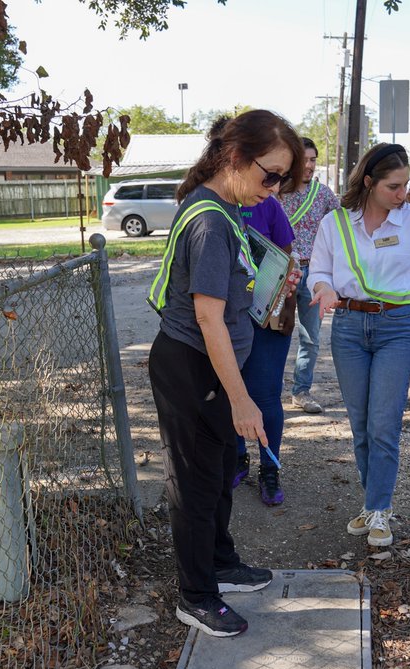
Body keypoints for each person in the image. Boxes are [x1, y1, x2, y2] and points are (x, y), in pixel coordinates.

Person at [146, 110, 304, 637]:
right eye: (271, 175)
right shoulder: (212, 220)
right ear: (235, 157)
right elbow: (208, 317)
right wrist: (241, 399)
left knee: (215, 478)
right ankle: (196, 594)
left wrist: (275, 282)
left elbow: (233, 297)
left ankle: (220, 562)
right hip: (193, 366)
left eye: (282, 179)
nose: (275, 190)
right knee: (193, 484)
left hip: (209, 364)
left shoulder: (225, 207)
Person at [308, 143, 410, 547]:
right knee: (360, 426)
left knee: (384, 425)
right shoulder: (335, 223)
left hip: (397, 327)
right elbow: (318, 270)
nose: (402, 193)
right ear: (369, 183)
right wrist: (323, 288)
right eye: (393, 186)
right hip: (349, 327)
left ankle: (379, 510)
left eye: (406, 184)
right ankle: (373, 504)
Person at [234, 194, 296, 506]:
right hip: (223, 319)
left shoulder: (267, 204)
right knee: (228, 390)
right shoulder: (204, 201)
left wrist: (289, 307)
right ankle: (236, 458)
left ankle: (269, 468)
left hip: (265, 318)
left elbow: (286, 262)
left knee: (266, 395)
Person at [279, 136, 341, 415]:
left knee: (310, 337)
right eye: (304, 159)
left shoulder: (324, 194)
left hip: (314, 273)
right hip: (282, 271)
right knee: (276, 332)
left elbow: (341, 228)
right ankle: (267, 390)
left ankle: (301, 391)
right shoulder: (276, 191)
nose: (309, 165)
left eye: (313, 159)